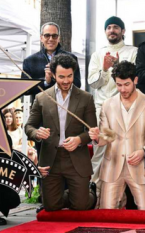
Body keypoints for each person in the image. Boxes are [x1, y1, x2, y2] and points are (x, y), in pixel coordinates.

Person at [25, 54, 97, 211]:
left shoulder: (86, 98)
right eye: (61, 76)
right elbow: (29, 127)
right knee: (51, 206)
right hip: (51, 159)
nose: (66, 81)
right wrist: (37, 133)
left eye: (70, 76)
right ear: (53, 74)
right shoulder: (41, 97)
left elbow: (92, 130)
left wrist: (79, 139)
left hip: (77, 158)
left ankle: (89, 192)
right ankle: (71, 194)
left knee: (80, 206)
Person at [87, 16, 138, 208]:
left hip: (127, 113)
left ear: (123, 31)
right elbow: (94, 83)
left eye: (116, 27)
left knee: (124, 152)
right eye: (108, 27)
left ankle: (122, 202)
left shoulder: (133, 52)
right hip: (103, 113)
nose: (112, 30)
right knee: (100, 153)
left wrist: (116, 68)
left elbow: (133, 81)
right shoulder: (97, 54)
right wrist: (105, 69)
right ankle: (94, 198)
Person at [89, 61, 145, 210]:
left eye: (127, 84)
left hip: (140, 166)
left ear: (135, 80)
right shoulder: (107, 105)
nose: (122, 89)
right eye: (119, 85)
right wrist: (97, 137)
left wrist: (143, 151)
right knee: (107, 212)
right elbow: (105, 139)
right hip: (112, 165)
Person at [22, 22, 81, 99]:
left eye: (54, 36)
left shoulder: (71, 58)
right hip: (40, 108)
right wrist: (46, 82)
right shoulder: (30, 61)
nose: (51, 39)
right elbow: (25, 90)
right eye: (47, 35)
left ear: (58, 38)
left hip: (65, 106)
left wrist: (57, 77)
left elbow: (77, 84)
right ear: (41, 38)